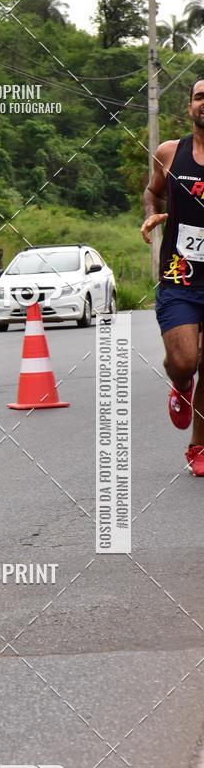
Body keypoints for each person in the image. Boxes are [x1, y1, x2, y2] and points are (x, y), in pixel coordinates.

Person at [141, 76, 204, 476]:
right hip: (180, 276)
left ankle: (198, 446)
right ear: (191, 106)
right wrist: (151, 213)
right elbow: (153, 191)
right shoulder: (169, 152)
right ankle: (180, 385)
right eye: (200, 96)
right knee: (185, 360)